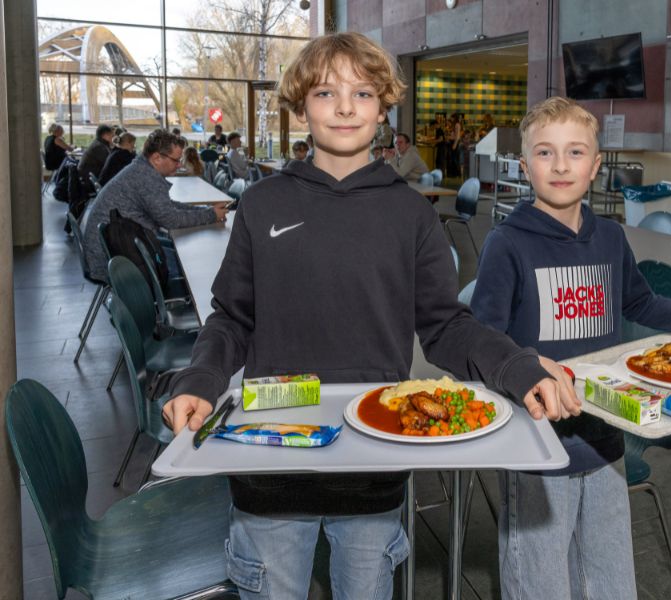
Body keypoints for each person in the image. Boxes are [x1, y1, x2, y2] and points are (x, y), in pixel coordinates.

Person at [161, 31, 577, 600]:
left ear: (383, 106)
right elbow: (232, 317)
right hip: (272, 458)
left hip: (375, 460)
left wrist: (516, 365)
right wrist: (202, 379)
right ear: (301, 104)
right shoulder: (263, 204)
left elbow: (446, 325)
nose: (344, 107)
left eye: (361, 93)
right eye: (326, 93)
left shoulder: (409, 214)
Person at [470, 96, 671, 600]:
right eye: (545, 153)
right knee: (540, 583)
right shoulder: (506, 244)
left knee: (610, 579)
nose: (561, 166)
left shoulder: (610, 237)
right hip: (537, 446)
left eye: (576, 152)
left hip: (606, 438)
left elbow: (641, 301)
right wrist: (525, 362)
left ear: (597, 165)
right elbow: (483, 338)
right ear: (523, 165)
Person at [80, 129, 227, 283]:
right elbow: (170, 220)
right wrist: (211, 215)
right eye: (176, 160)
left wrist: (207, 210)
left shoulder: (142, 169)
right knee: (195, 268)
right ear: (157, 158)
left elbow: (168, 206)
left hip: (116, 250)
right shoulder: (146, 178)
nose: (179, 165)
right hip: (115, 262)